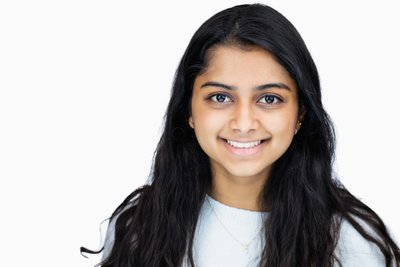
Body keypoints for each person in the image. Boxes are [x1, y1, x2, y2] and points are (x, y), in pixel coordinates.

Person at [81, 3, 400, 267]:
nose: (244, 122)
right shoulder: (140, 227)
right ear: (189, 111)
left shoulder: (352, 243)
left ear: (300, 113)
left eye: (269, 99)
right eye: (220, 97)